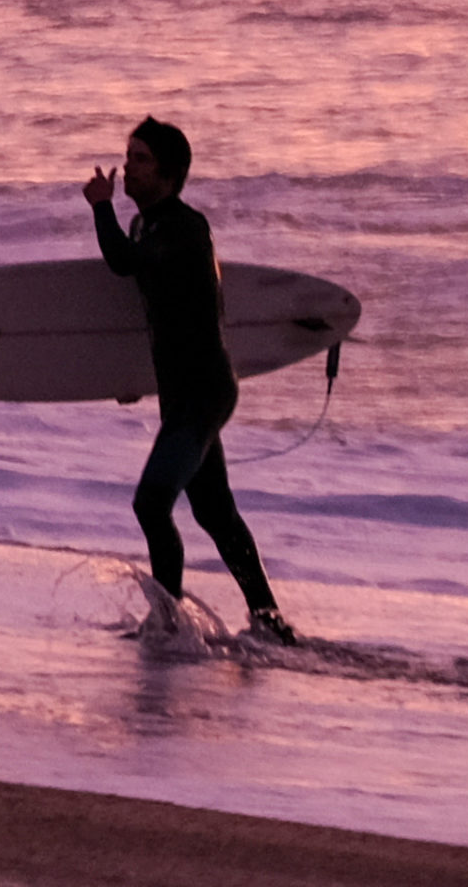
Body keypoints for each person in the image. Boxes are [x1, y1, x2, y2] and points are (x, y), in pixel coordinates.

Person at [84, 117, 298, 645]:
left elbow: (123, 264)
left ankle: (167, 621)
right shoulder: (145, 227)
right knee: (214, 510)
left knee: (151, 503)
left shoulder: (185, 228)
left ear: (171, 173)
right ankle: (269, 620)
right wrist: (132, 374)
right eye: (127, 156)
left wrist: (100, 206)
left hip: (204, 392)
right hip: (181, 393)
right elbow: (156, 311)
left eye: (140, 160)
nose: (126, 168)